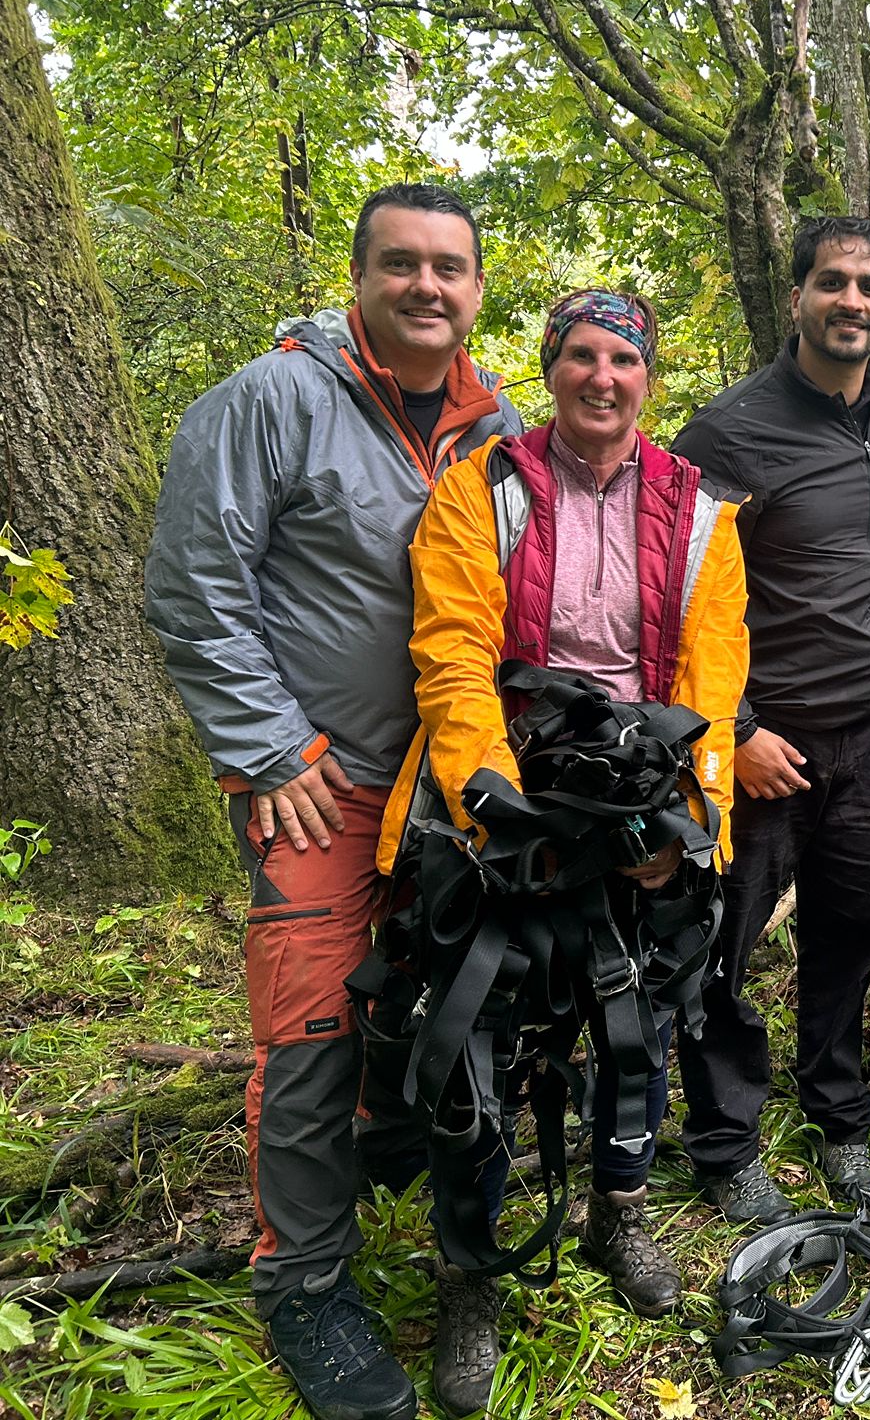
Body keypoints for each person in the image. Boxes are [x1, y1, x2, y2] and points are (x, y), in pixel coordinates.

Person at [145, 184, 521, 1420]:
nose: (427, 287)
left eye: (449, 269)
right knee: (308, 1030)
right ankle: (303, 1282)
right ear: (358, 278)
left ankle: (398, 1172)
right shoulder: (272, 399)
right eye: (402, 265)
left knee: (445, 1005)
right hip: (320, 781)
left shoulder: (496, 426)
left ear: (476, 289)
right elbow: (199, 583)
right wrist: (268, 752)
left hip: (451, 786)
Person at [384, 289, 748, 1413]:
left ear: (649, 376)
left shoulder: (698, 511)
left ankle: (617, 1216)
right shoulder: (480, 489)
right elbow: (450, 651)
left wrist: (691, 828)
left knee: (637, 1016)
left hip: (642, 789)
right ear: (551, 369)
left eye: (623, 360)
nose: (602, 377)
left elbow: (712, 679)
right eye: (580, 357)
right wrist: (490, 809)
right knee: (477, 1037)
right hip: (502, 789)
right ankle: (471, 1272)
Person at [669, 216, 870, 1223]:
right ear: (796, 298)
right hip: (765, 741)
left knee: (851, 932)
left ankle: (839, 1115)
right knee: (725, 944)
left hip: (869, 736)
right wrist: (733, 728)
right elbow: (682, 593)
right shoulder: (729, 431)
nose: (850, 300)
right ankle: (726, 1138)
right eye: (832, 282)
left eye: (868, 285)